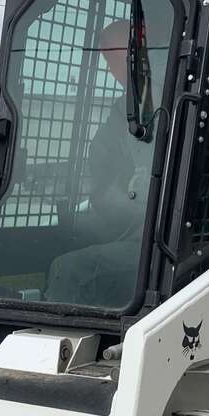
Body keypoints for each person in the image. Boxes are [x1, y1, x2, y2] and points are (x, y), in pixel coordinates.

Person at [45, 19, 153, 309]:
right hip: (138, 225)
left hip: (160, 238)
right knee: (60, 243)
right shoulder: (125, 109)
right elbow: (102, 162)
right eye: (108, 59)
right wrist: (105, 193)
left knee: (68, 270)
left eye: (115, 57)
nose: (113, 68)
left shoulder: (171, 99)